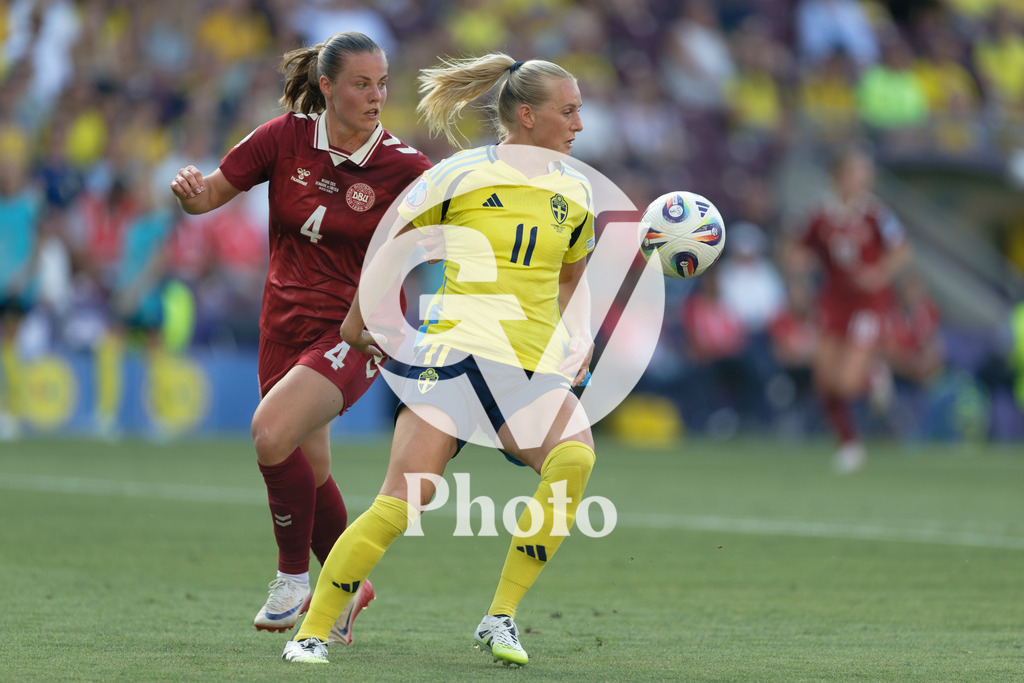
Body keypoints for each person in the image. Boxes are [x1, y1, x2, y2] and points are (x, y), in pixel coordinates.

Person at [281, 52, 596, 667]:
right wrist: (357, 319)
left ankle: (499, 618)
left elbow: (569, 279)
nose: (580, 122)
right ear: (527, 116)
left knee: (575, 460)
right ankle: (311, 632)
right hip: (451, 358)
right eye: (569, 110)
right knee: (402, 502)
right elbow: (392, 242)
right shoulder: (460, 175)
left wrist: (573, 339)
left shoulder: (577, 189)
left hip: (526, 368)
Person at [169, 32, 432, 641]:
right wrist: (188, 192)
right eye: (362, 84)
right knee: (307, 468)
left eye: (382, 83)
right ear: (328, 87)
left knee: (269, 432)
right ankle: (351, 583)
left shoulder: (405, 167)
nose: (376, 96)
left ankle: (292, 583)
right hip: (281, 322)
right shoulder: (283, 137)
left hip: (357, 329)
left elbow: (455, 232)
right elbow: (210, 194)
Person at [787, 146, 910, 472]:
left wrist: (879, 273)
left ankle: (874, 376)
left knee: (846, 382)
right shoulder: (821, 214)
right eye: (857, 172)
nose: (864, 179)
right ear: (839, 176)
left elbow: (901, 250)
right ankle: (850, 444)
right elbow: (797, 249)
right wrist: (798, 274)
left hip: (868, 302)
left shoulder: (876, 213)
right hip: (833, 300)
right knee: (824, 379)